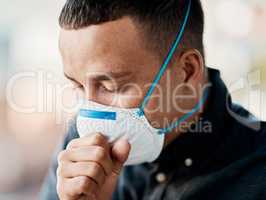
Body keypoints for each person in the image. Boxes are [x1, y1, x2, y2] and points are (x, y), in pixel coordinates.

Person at [40, 0, 266, 199]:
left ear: (186, 70)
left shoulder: (257, 174)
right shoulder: (78, 147)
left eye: (110, 86)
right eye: (78, 85)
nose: (90, 113)